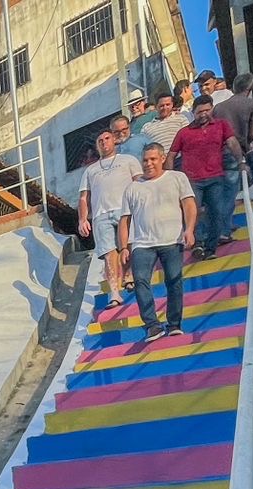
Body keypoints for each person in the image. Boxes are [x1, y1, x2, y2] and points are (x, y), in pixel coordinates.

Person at [119, 142, 198, 341]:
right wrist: (123, 247)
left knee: (173, 280)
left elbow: (189, 205)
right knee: (141, 281)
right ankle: (152, 325)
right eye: (145, 160)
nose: (148, 163)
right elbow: (124, 220)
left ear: (162, 158)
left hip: (172, 240)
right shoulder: (133, 188)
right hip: (142, 244)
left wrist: (189, 229)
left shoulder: (177, 178)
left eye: (153, 159)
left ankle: (174, 324)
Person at [169, 95, 243, 258]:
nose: (203, 114)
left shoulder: (222, 125)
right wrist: (168, 178)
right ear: (193, 113)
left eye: (207, 110)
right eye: (199, 111)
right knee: (193, 213)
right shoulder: (184, 132)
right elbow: (172, 155)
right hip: (192, 181)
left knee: (217, 213)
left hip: (215, 178)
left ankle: (210, 249)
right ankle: (198, 244)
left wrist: (241, 161)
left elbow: (232, 143)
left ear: (212, 109)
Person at [79, 130, 144, 309]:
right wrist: (82, 219)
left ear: (114, 140)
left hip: (125, 210)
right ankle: (114, 293)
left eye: (107, 138)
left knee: (128, 244)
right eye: (100, 140)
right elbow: (84, 197)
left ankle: (129, 275)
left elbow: (139, 183)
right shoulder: (90, 170)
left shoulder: (128, 160)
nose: (104, 142)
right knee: (109, 253)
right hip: (101, 215)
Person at [214, 73, 253, 151]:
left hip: (223, 149)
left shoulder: (218, 107)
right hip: (240, 148)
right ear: (250, 87)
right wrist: (247, 143)